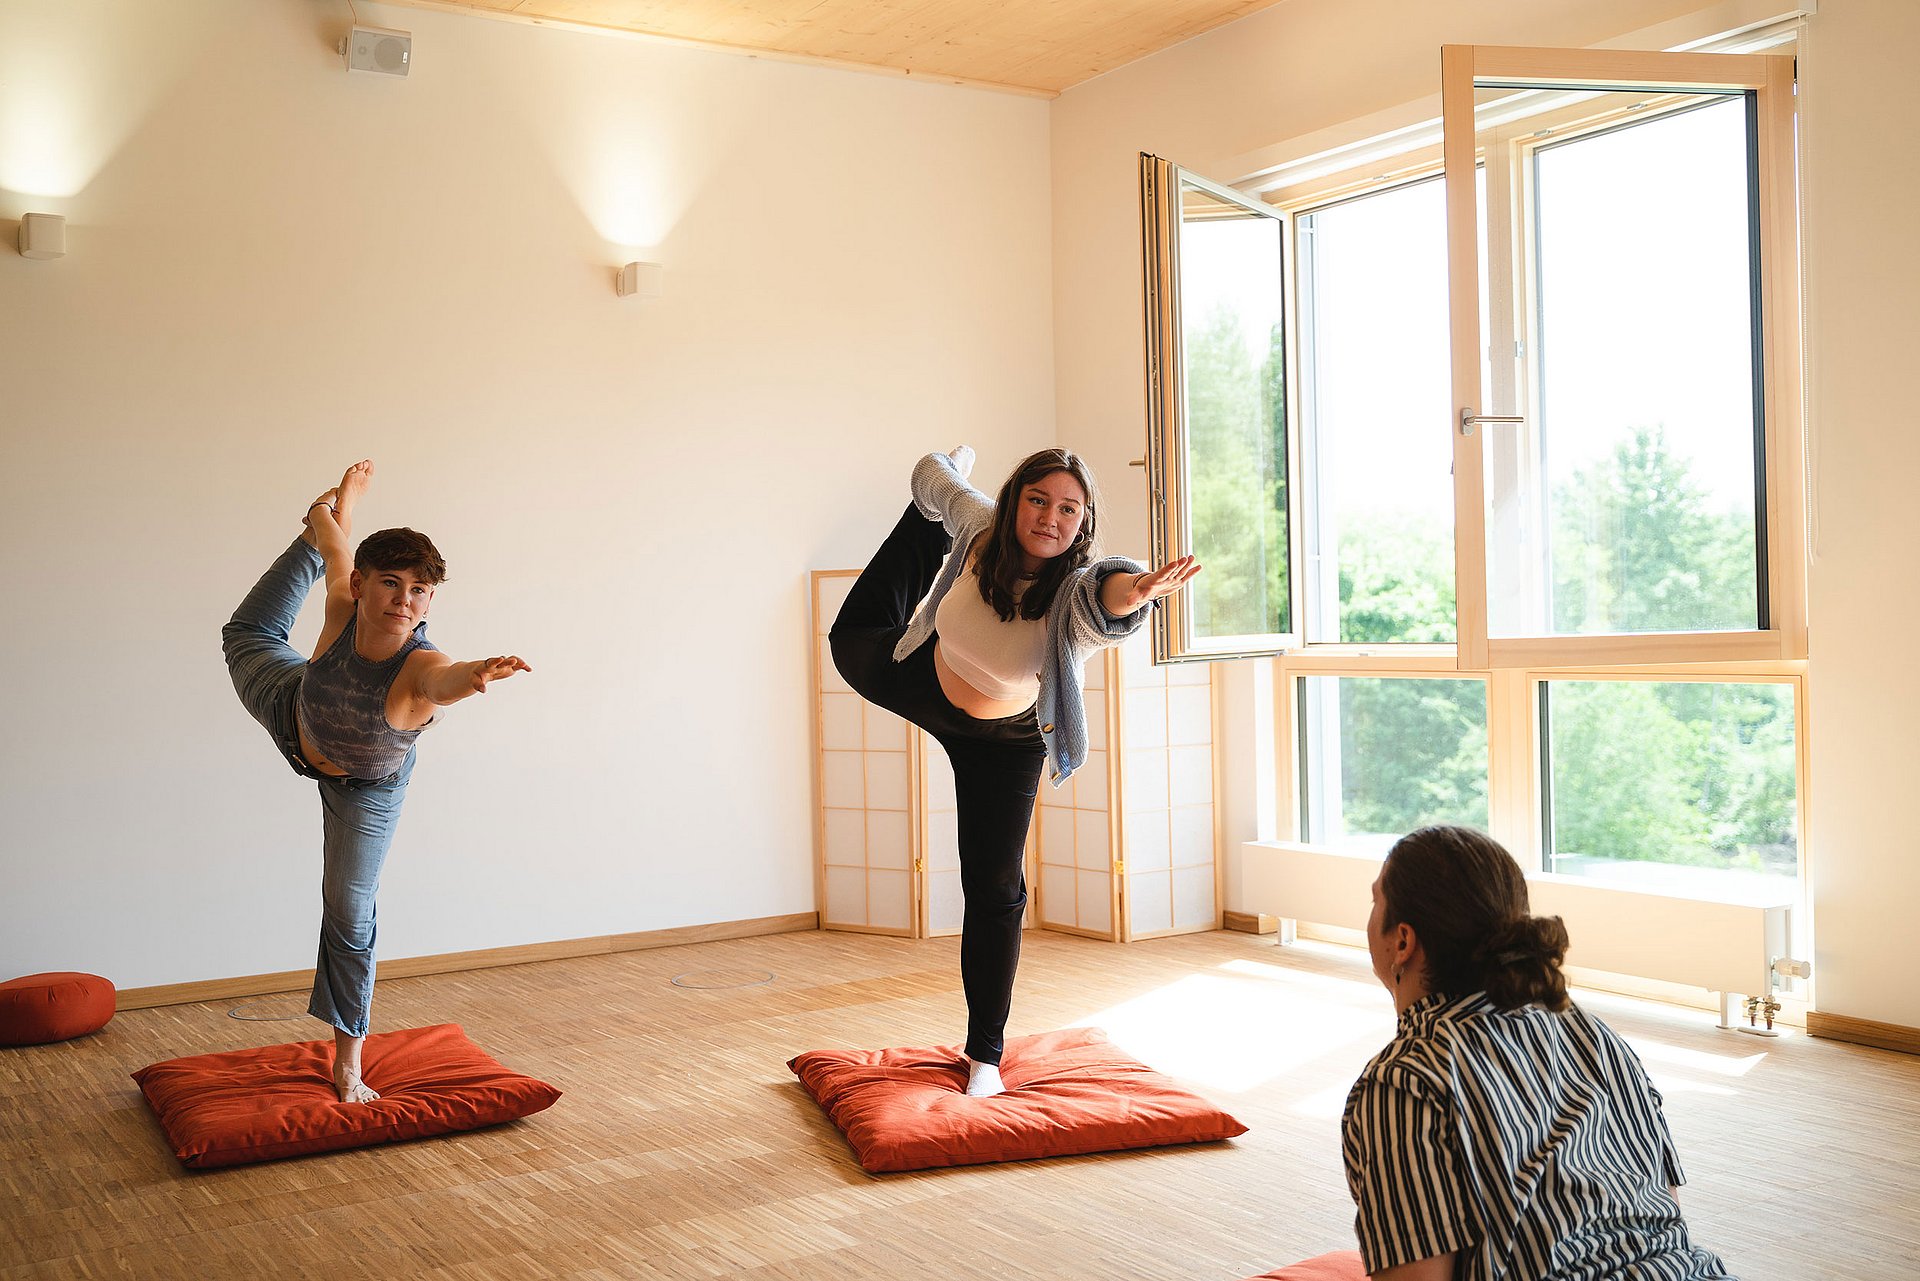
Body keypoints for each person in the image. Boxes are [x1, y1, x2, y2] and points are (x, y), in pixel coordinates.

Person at [830, 446, 1200, 1097]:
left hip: (1005, 741)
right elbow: (929, 470)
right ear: (1014, 499)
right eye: (1037, 500)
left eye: (1068, 509)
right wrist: (937, 481)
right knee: (850, 637)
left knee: (996, 887)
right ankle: (923, 522)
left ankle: (986, 1058)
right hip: (922, 679)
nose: (1050, 517)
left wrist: (1137, 590)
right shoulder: (980, 524)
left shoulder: (1075, 594)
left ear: (1082, 523)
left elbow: (1109, 591)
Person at [221, 461, 530, 1103]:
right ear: (364, 587)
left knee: (349, 911)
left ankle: (349, 1061)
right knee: (247, 631)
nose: (403, 601)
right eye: (390, 584)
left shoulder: (423, 666)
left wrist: (475, 674)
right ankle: (324, 519)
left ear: (430, 601)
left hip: (365, 785)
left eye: (419, 591)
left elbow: (442, 679)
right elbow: (341, 559)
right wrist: (331, 524)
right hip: (291, 707)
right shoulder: (343, 603)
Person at [1343, 825, 1735, 1280]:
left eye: (1376, 902)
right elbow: (1662, 1211)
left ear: (1403, 941)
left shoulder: (1405, 1081)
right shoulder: (1592, 1033)